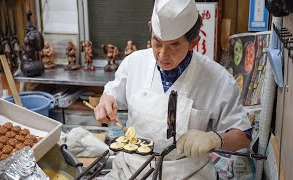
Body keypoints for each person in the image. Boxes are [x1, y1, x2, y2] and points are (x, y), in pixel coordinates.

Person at [94, 0, 252, 179]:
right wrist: (105, 100)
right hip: (130, 170)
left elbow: (244, 135)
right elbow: (112, 93)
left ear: (194, 42)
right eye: (157, 42)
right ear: (150, 29)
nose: (162, 55)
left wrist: (214, 139)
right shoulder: (133, 63)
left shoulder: (217, 79)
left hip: (189, 173)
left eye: (174, 45)